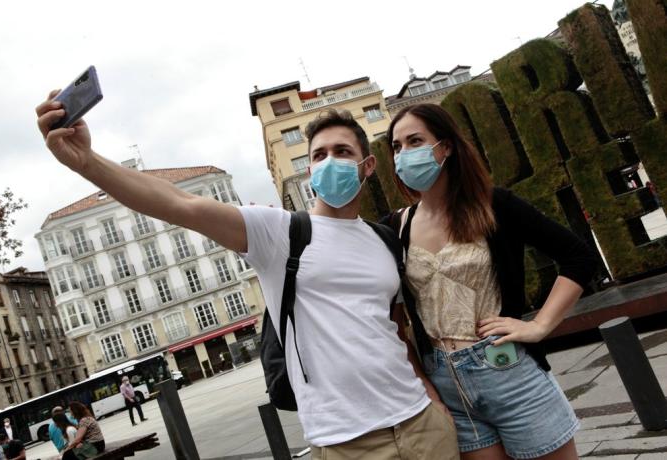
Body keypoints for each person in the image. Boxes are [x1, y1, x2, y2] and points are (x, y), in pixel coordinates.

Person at [36, 94, 458, 459]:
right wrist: (87, 162)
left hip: (422, 423)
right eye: (318, 155)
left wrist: (431, 397)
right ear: (309, 169)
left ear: (367, 166)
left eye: (343, 152)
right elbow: (179, 203)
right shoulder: (278, 232)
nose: (330, 162)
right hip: (347, 441)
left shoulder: (384, 240)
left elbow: (396, 330)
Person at [384, 103, 597, 460]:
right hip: (445, 382)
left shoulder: (493, 205)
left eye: (415, 141)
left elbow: (579, 256)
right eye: (397, 146)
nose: (404, 153)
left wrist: (541, 324)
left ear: (446, 146)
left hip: (505, 369)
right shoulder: (396, 226)